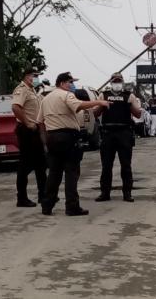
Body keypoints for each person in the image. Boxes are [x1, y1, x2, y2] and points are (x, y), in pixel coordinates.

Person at [37, 72, 110, 216]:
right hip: (67, 137)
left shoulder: (45, 99)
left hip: (52, 137)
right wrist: (99, 102)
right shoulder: (67, 95)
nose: (72, 85)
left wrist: (45, 141)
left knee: (54, 173)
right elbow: (79, 106)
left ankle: (47, 206)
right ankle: (72, 206)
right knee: (71, 172)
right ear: (63, 83)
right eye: (70, 82)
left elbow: (40, 122)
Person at [94, 72, 142, 203]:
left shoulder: (129, 95)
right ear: (110, 83)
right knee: (106, 166)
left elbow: (138, 114)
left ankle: (127, 193)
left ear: (122, 82)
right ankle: (105, 193)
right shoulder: (104, 95)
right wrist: (102, 104)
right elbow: (95, 113)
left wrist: (130, 104)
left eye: (119, 81)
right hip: (108, 133)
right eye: (114, 81)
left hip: (124, 133)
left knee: (126, 165)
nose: (117, 83)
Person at [11, 66, 46, 208]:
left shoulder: (33, 91)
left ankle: (43, 195)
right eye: (34, 75)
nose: (36, 78)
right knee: (25, 164)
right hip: (27, 130)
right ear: (27, 76)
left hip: (35, 129)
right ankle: (22, 198)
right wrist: (27, 123)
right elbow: (15, 107)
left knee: (41, 164)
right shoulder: (21, 90)